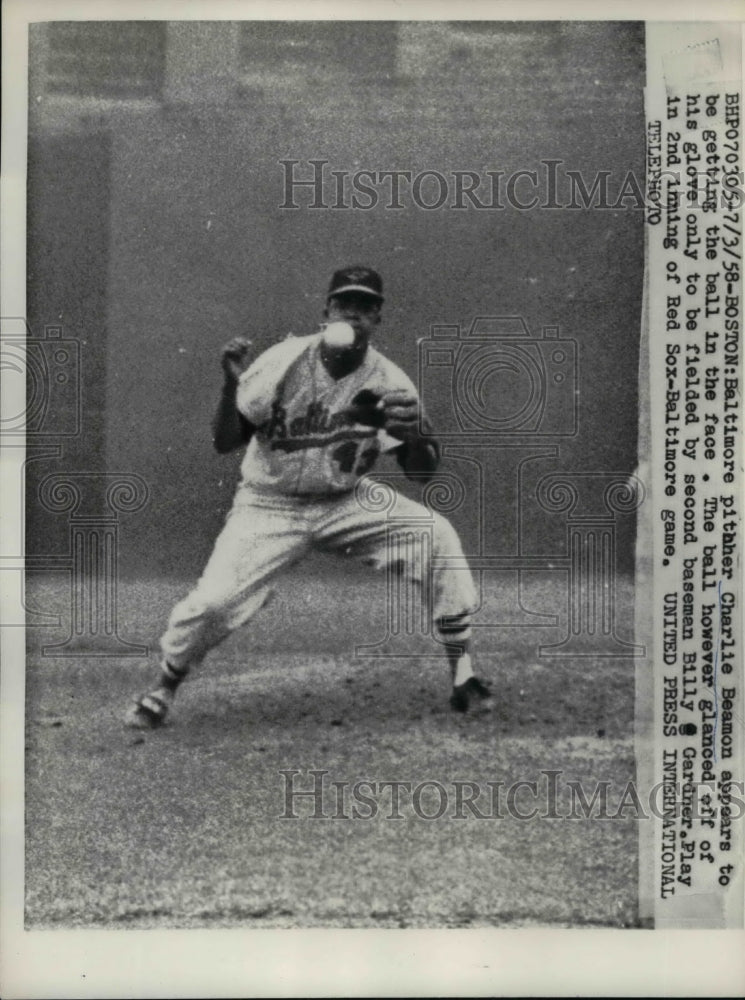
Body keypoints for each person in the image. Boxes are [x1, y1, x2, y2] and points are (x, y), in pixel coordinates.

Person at [125, 265, 492, 728]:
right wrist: (230, 387)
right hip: (269, 504)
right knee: (214, 603)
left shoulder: (391, 382)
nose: (353, 315)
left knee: (435, 535)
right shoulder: (283, 361)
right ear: (326, 311)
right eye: (345, 304)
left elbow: (421, 473)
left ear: (378, 317)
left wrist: (418, 436)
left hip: (346, 500)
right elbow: (225, 441)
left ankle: (464, 675)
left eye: (365, 307)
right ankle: (164, 686)